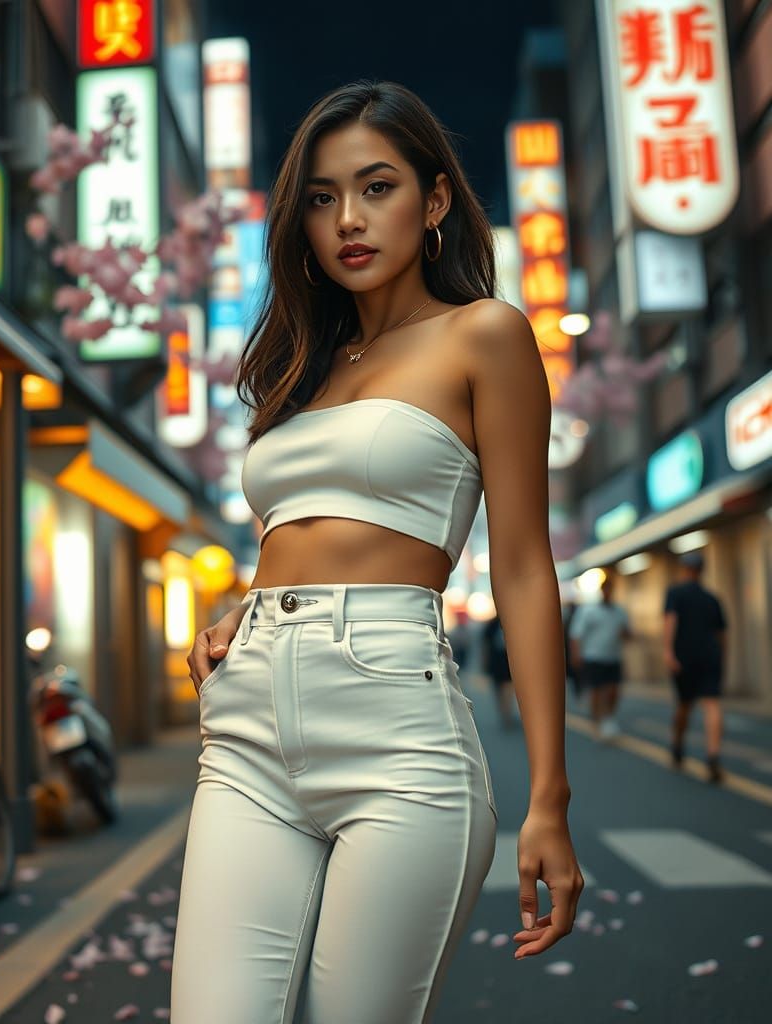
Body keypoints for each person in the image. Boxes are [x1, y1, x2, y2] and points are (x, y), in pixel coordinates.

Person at [174, 80, 582, 1023]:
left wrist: (548, 798)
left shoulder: (484, 334)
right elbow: (301, 529)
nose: (348, 220)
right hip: (245, 731)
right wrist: (245, 606)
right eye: (322, 198)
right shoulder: (301, 368)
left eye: (377, 187)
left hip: (397, 728)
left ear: (434, 201)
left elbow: (524, 567)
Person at [663, 551, 727, 783]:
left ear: (684, 569)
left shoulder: (675, 593)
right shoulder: (712, 599)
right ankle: (713, 756)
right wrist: (722, 659)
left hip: (685, 657)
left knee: (684, 704)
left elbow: (670, 621)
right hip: (710, 656)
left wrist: (668, 652)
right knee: (712, 704)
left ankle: (678, 745)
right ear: (702, 570)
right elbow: (722, 635)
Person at [567, 573, 631, 741]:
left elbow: (628, 634)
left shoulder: (619, 611)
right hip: (593, 657)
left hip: (613, 657)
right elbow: (576, 635)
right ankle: (596, 720)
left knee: (613, 690)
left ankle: (608, 718)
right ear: (602, 591)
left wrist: (625, 634)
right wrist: (576, 655)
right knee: (596, 690)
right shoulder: (588, 611)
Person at [481, 612, 518, 729]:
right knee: (502, 690)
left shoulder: (495, 624)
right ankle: (505, 714)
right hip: (500, 662)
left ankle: (506, 714)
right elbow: (486, 645)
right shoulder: (494, 625)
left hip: (504, 663)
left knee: (505, 690)